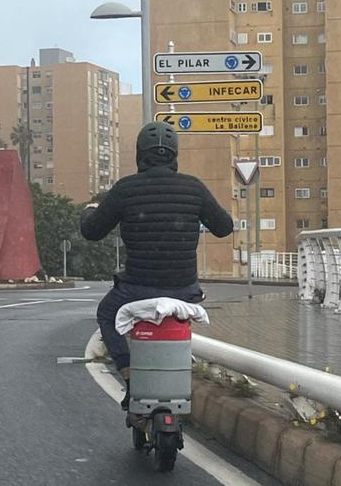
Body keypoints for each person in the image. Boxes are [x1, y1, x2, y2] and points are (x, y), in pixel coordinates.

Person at [80, 121, 233, 410]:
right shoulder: (194, 188)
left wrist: (87, 212)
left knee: (106, 314)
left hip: (135, 290)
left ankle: (128, 374)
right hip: (184, 290)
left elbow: (92, 231)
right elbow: (224, 227)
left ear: (140, 154)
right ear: (174, 154)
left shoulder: (126, 189)